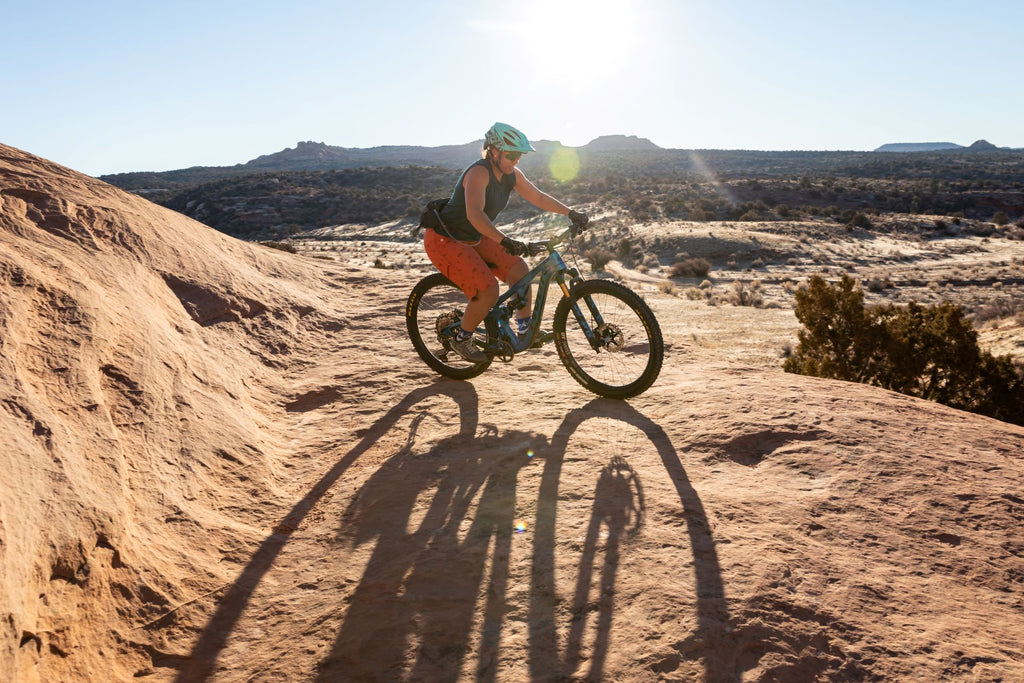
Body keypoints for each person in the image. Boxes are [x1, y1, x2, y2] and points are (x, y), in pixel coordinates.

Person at [423, 122, 589, 362]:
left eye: (519, 155)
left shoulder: (511, 175)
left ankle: (524, 331)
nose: (516, 160)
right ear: (494, 151)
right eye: (511, 155)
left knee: (520, 271)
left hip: (474, 236)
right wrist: (505, 240)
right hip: (445, 239)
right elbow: (475, 215)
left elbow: (538, 196)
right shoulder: (478, 173)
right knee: (488, 290)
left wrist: (570, 213)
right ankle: (461, 339)